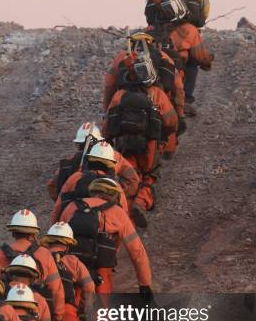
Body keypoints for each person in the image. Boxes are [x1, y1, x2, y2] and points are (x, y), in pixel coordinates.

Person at [59, 178, 152, 321]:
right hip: (101, 270)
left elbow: (56, 237)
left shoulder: (71, 208)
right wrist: (144, 284)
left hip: (70, 265)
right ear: (114, 195)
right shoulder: (117, 213)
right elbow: (137, 252)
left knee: (70, 306)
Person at [103, 56, 178, 225]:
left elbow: (108, 124)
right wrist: (166, 141)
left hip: (124, 144)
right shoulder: (156, 93)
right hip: (149, 146)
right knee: (149, 177)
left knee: (130, 177)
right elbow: (171, 121)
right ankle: (141, 203)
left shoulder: (119, 95)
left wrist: (106, 143)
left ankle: (123, 212)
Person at [0, 209, 65, 321]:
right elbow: (56, 289)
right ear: (34, 233)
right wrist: (58, 318)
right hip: (38, 309)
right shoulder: (44, 254)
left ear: (13, 232)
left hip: (6, 310)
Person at [46, 122, 140, 202]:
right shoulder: (114, 157)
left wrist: (67, 204)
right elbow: (133, 181)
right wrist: (117, 194)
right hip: (106, 205)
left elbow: (52, 187)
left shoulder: (72, 161)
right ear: (98, 140)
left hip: (77, 209)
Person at [50, 141, 129, 225]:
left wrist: (55, 229)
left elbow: (59, 205)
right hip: (104, 227)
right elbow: (124, 215)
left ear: (89, 160)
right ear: (111, 165)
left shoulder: (75, 177)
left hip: (73, 224)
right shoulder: (114, 185)